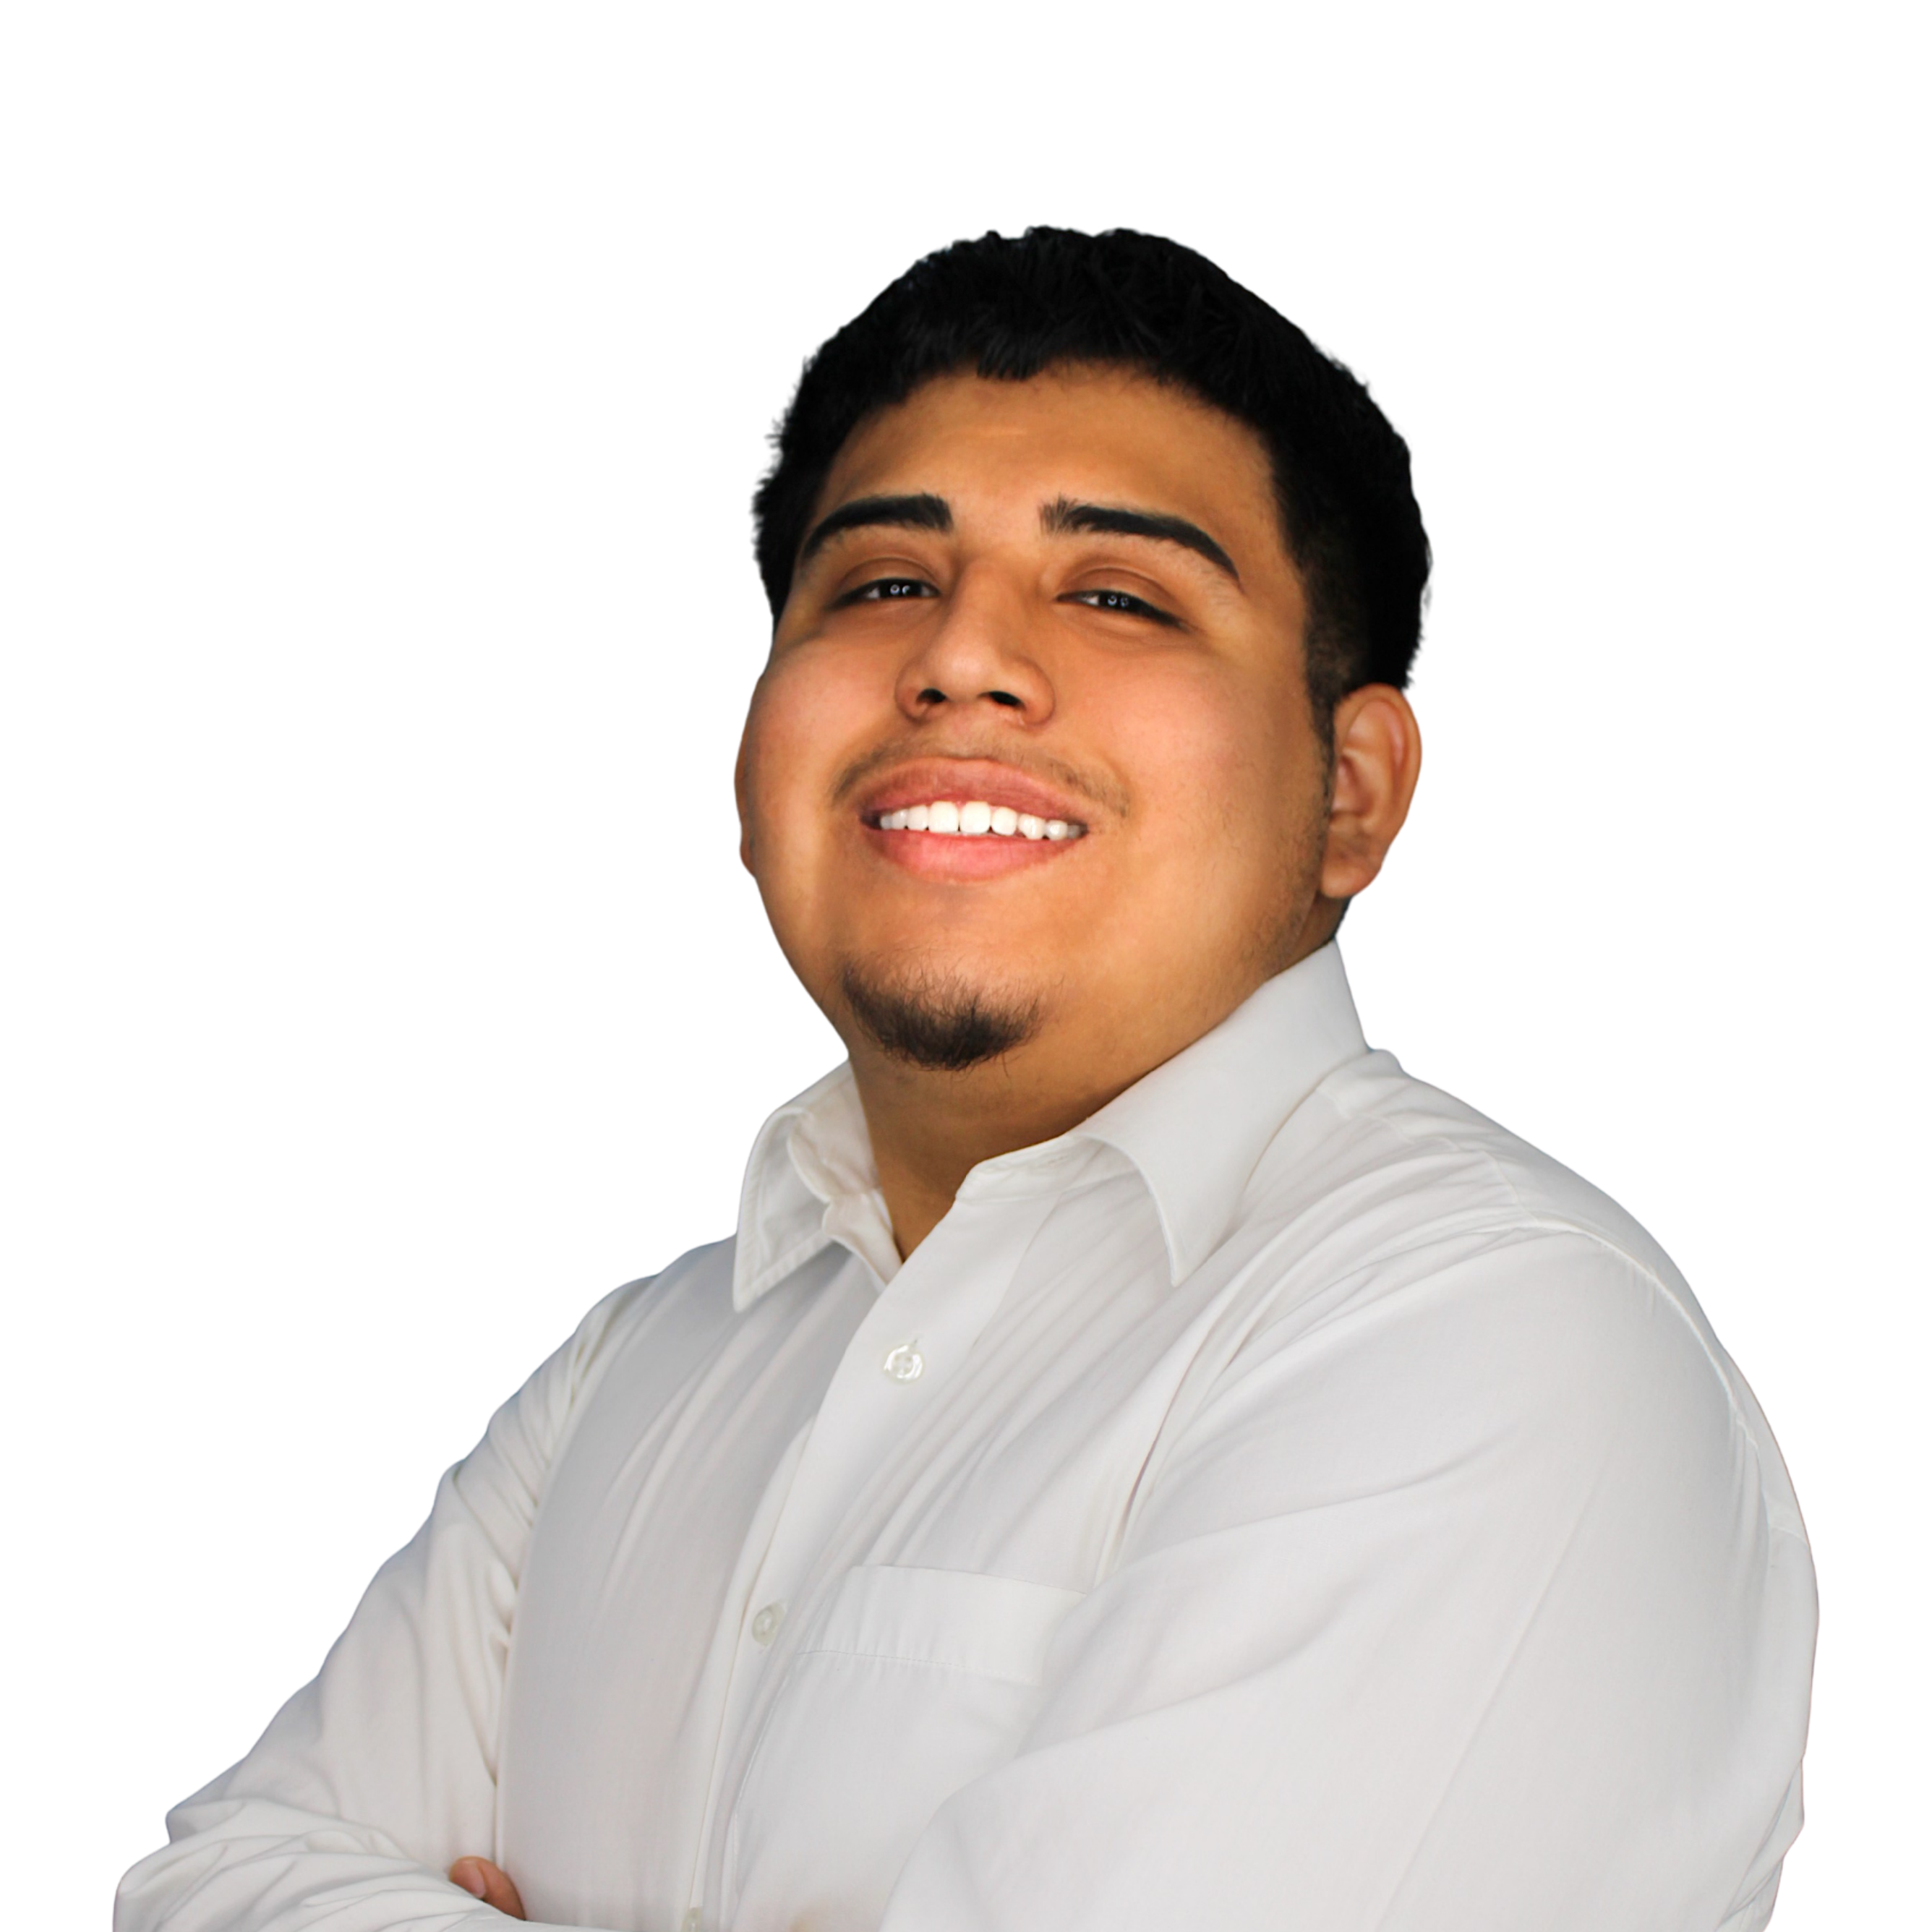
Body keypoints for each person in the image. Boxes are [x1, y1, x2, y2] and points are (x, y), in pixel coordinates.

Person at [114, 227, 1817, 1932]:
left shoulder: (1493, 1330)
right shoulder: (639, 1363)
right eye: (878, 584)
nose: (959, 657)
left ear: (1353, 791)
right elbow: (209, 1884)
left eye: (1119, 595)